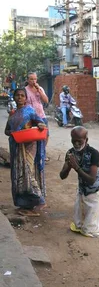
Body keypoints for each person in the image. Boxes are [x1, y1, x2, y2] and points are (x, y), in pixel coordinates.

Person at [60, 127, 99, 237]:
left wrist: (76, 167)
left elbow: (91, 180)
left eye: (79, 141)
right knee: (77, 225)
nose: (76, 143)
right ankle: (95, 216)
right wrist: (68, 166)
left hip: (95, 191)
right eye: (73, 140)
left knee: (89, 231)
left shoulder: (94, 153)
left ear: (86, 140)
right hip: (82, 191)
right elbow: (62, 176)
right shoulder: (70, 153)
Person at [4, 87, 47, 216]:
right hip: (16, 146)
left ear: (26, 98)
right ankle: (25, 204)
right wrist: (12, 133)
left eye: (22, 95)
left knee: (27, 172)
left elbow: (41, 123)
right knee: (18, 175)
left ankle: (40, 200)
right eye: (17, 95)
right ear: (14, 97)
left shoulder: (30, 110)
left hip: (28, 146)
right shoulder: (12, 113)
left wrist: (40, 125)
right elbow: (6, 130)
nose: (20, 98)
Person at [25, 71, 50, 162]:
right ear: (28, 80)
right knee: (32, 136)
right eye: (31, 79)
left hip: (41, 115)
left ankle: (42, 153)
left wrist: (39, 90)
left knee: (45, 135)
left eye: (35, 79)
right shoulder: (25, 90)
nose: (33, 81)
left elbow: (46, 100)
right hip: (30, 117)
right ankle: (33, 154)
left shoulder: (40, 89)